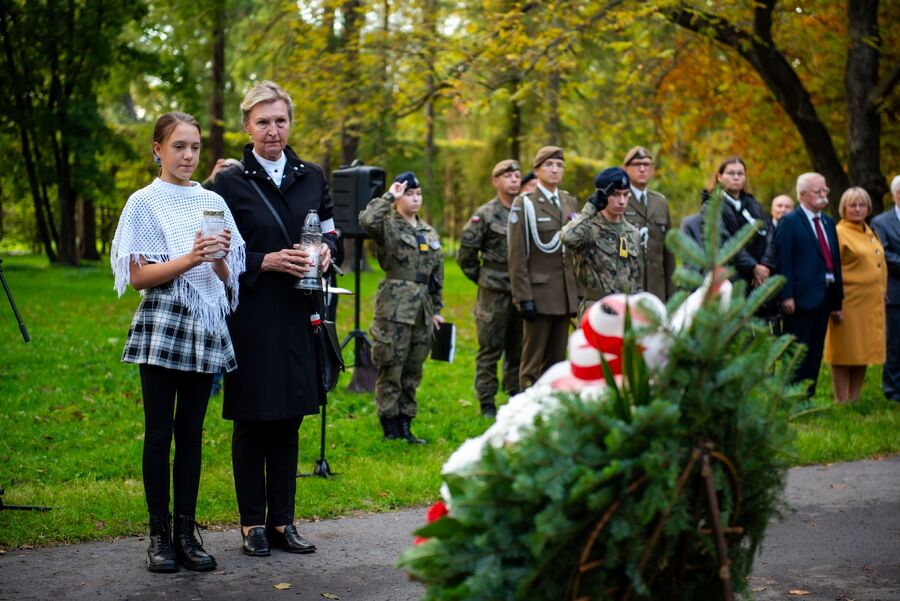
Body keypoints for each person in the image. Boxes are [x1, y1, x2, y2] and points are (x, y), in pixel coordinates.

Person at [111, 111, 245, 573]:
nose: (188, 156)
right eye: (178, 147)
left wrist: (221, 259)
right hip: (164, 321)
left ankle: (187, 533)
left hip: (206, 323)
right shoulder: (144, 203)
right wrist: (190, 257)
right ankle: (159, 537)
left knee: (191, 434)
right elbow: (138, 276)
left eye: (194, 148)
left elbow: (226, 278)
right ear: (158, 149)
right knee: (160, 432)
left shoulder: (212, 201)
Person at [213, 81, 336, 557]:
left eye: (280, 120)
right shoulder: (229, 182)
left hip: (301, 311)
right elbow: (215, 253)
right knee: (252, 420)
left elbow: (332, 232)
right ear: (247, 127)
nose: (272, 130)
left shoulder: (313, 176)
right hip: (252, 314)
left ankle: (283, 521)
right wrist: (263, 261)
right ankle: (251, 525)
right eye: (262, 122)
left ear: (291, 123)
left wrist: (326, 253)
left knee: (289, 420)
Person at [359, 171, 444, 444]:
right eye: (409, 193)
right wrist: (389, 196)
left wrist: (437, 310)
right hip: (394, 308)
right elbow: (366, 220)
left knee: (412, 369)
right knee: (391, 365)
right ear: (399, 196)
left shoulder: (429, 231)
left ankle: (406, 424)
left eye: (418, 194)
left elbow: (437, 275)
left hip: (422, 309)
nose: (415, 199)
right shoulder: (388, 224)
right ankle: (390, 426)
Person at [508, 146, 580, 389]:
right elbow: (516, 255)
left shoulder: (569, 201)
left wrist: (576, 292)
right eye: (549, 165)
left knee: (558, 363)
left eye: (559, 165)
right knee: (532, 363)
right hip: (538, 295)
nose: (554, 170)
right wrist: (523, 296)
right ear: (537, 170)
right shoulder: (526, 203)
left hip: (563, 294)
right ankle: (526, 412)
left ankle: (553, 412)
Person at [457, 159, 523, 418]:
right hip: (493, 292)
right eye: (508, 176)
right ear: (496, 181)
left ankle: (515, 398)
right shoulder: (484, 214)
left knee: (518, 350)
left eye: (517, 175)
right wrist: (484, 278)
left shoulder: (525, 211)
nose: (514, 179)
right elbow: (466, 254)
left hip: (521, 291)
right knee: (489, 350)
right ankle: (486, 403)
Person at [773, 172, 843, 398]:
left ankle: (807, 396)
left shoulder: (828, 222)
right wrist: (786, 295)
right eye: (817, 191)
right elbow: (783, 260)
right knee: (796, 351)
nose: (823, 195)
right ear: (802, 195)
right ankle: (788, 397)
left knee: (815, 350)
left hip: (824, 295)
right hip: (799, 299)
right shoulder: (790, 222)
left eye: (825, 191)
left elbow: (834, 262)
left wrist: (837, 300)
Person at [823, 187, 885, 403]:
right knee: (843, 351)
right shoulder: (839, 232)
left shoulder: (868, 231)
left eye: (862, 205)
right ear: (844, 208)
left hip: (870, 302)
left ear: (868, 208)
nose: (858, 209)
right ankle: (841, 400)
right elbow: (830, 269)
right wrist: (833, 302)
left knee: (862, 350)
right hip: (847, 301)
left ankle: (854, 398)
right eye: (853, 205)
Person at [561, 167, 643, 319]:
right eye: (615, 195)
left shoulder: (632, 232)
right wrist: (590, 208)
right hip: (596, 311)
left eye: (626, 195)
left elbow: (637, 278)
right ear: (602, 195)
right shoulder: (588, 227)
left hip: (626, 312)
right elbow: (568, 237)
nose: (622, 201)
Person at [201, 157, 242, 398]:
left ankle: (226, 379)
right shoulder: (208, 195)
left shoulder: (243, 194)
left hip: (234, 270)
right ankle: (214, 383)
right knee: (214, 327)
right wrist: (212, 178)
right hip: (210, 272)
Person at [703, 157, 771, 292]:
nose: (736, 177)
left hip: (761, 278)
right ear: (720, 177)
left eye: (740, 174)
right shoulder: (711, 206)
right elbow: (724, 241)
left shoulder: (754, 204)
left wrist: (765, 265)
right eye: (731, 173)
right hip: (732, 278)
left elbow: (769, 234)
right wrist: (753, 267)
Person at [622, 146, 675, 300]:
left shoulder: (660, 203)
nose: (642, 169)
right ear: (626, 169)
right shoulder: (619, 200)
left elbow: (668, 252)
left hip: (656, 288)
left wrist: (671, 291)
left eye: (647, 164)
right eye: (637, 164)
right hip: (628, 287)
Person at [871, 175, 900, 403]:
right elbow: (883, 253)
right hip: (895, 290)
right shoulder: (881, 222)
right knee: (895, 343)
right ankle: (893, 389)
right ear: (895, 195)